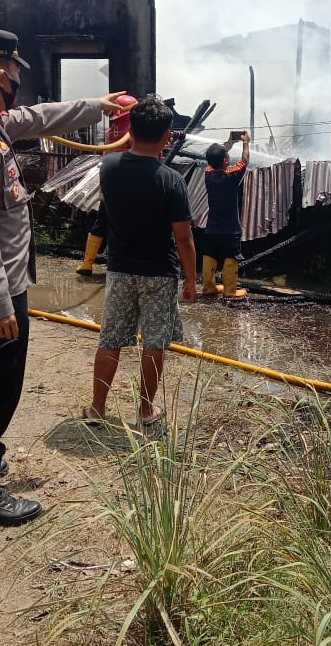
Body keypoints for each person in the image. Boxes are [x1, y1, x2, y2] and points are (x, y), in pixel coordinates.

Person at [0, 26, 124, 525]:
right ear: (0, 73)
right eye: (16, 71)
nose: (18, 80)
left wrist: (97, 106)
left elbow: (39, 117)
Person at [82, 94, 197, 428]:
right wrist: (191, 279)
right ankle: (146, 411)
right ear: (166, 137)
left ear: (129, 130)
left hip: (119, 268)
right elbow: (184, 238)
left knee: (112, 339)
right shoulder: (171, 180)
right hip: (159, 273)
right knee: (154, 343)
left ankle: (97, 408)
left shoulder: (109, 166)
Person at [76, 93, 137, 276]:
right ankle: (122, 263)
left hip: (110, 186)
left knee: (101, 223)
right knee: (126, 226)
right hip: (130, 190)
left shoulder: (112, 132)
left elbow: (105, 160)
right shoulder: (134, 131)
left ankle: (87, 263)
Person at [202, 132, 250, 297]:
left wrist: (229, 143)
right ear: (225, 161)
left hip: (212, 229)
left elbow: (215, 160)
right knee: (231, 256)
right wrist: (245, 143)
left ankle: (209, 287)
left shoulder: (208, 173)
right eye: (227, 155)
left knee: (210, 255)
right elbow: (244, 161)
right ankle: (230, 290)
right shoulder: (231, 176)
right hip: (230, 230)